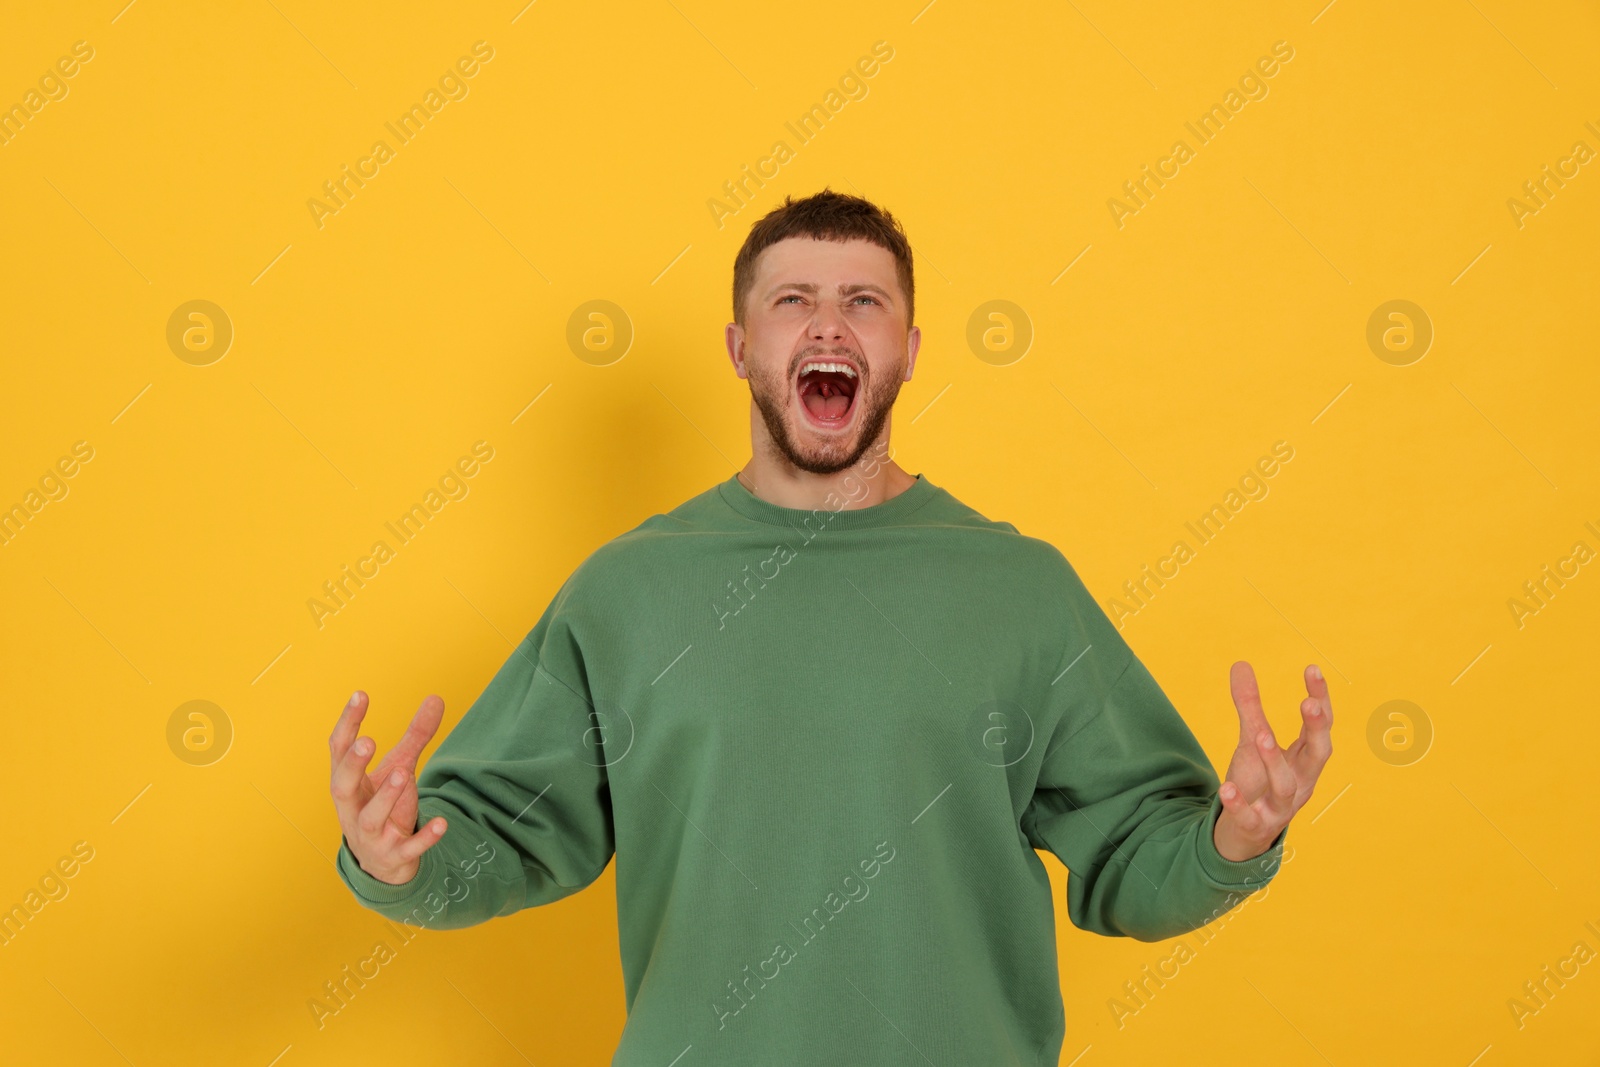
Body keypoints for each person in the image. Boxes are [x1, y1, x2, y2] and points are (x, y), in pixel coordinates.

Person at [327, 188, 1333, 1065]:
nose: (828, 324)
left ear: (907, 346)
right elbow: (495, 829)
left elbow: (1135, 849)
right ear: (740, 346)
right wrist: (390, 858)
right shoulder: (627, 592)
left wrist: (1233, 837)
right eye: (791, 300)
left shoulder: (1016, 587)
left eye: (864, 300)